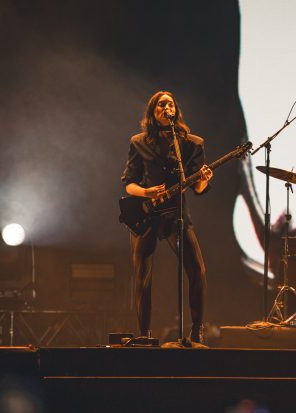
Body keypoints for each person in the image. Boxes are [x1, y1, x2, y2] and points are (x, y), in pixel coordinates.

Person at [121, 91, 213, 344]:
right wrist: (146, 192)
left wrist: (203, 180)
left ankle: (197, 330)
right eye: (161, 104)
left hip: (176, 214)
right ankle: (144, 334)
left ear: (176, 110)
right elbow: (129, 184)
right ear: (153, 111)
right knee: (142, 275)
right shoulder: (138, 142)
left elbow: (199, 189)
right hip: (146, 214)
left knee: (197, 269)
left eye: (170, 104)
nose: (166, 107)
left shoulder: (192, 144)